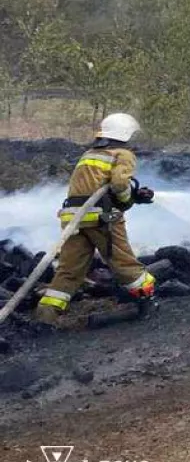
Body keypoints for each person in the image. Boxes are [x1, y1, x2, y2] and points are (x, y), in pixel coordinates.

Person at [33, 112, 156, 327]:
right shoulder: (122, 154)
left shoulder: (89, 154)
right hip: (101, 218)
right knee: (124, 262)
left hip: (73, 219)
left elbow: (93, 187)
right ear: (126, 134)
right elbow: (119, 185)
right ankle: (147, 302)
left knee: (69, 271)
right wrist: (128, 200)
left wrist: (132, 195)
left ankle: (45, 318)